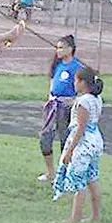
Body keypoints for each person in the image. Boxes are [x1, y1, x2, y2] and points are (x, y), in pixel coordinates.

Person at [52, 66, 104, 223]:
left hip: (84, 144)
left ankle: (75, 218)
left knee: (79, 182)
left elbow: (80, 128)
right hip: (95, 141)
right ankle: (96, 215)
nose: (74, 83)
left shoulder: (83, 102)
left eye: (76, 80)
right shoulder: (96, 98)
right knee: (92, 178)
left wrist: (70, 151)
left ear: (82, 82)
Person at [37, 35, 84, 183]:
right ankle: (50, 172)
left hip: (67, 108)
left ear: (70, 49)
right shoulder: (57, 65)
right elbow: (52, 82)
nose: (58, 51)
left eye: (61, 48)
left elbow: (84, 89)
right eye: (57, 48)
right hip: (53, 106)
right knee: (45, 138)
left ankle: (65, 174)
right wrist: (50, 97)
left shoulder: (77, 67)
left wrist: (74, 101)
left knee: (66, 140)